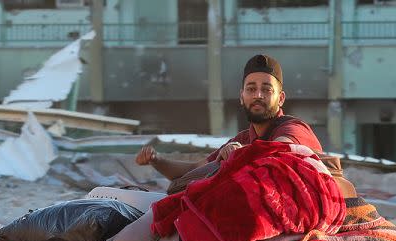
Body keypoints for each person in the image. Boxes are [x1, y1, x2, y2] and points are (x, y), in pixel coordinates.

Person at [135, 54, 323, 183]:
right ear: (242, 97)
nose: (258, 95)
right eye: (251, 89)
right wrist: (157, 160)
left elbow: (277, 152)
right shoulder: (242, 140)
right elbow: (193, 171)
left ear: (281, 98)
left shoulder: (294, 128)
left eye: (266, 89)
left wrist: (239, 154)